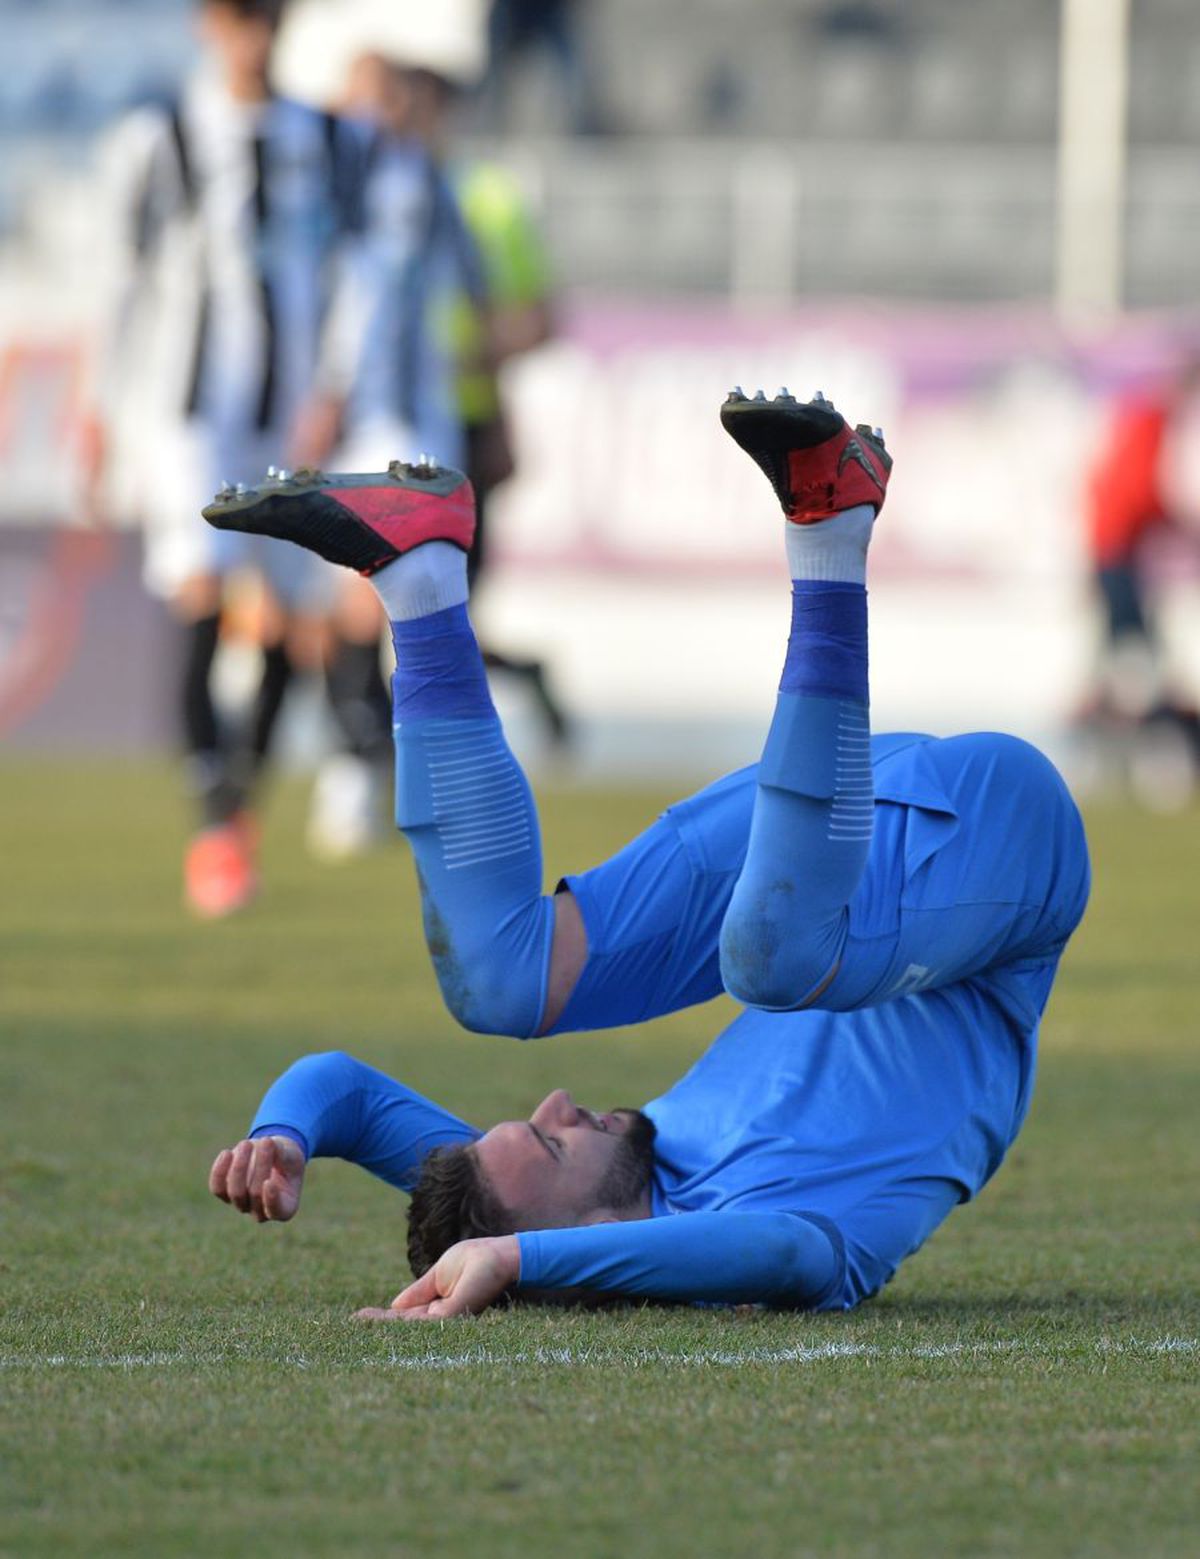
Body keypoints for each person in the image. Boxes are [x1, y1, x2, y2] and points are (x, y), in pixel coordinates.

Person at [205, 389, 1090, 1318]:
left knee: (498, 980)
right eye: (549, 1143)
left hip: (813, 828)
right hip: (1001, 858)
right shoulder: (769, 1235)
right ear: (578, 1240)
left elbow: (345, 1092)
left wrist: (285, 1135)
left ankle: (420, 575)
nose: (553, 1103)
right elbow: (784, 1253)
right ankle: (831, 527)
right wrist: (517, 1257)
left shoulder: (601, 1174)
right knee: (769, 958)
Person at [83, 0, 370, 913]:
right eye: (239, 15)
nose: (253, 32)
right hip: (189, 409)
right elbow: (120, 278)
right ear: (209, 24)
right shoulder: (160, 133)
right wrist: (98, 403)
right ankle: (213, 823)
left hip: (290, 414)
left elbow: (355, 275)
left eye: (267, 15)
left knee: (289, 620)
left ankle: (235, 809)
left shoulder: (325, 138)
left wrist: (333, 385)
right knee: (203, 592)